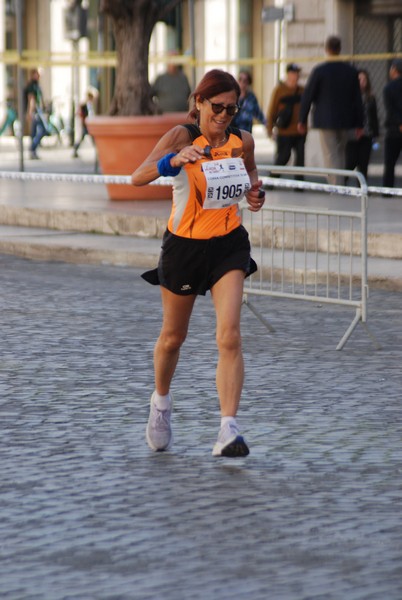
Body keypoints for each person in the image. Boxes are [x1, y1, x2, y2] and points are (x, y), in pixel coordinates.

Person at [132, 69, 265, 458]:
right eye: (217, 107)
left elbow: (251, 176)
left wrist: (256, 194)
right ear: (199, 103)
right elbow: (137, 176)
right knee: (173, 338)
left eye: (231, 108)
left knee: (230, 335)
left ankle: (228, 428)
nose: (224, 115)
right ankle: (160, 403)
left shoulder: (243, 141)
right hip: (184, 248)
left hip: (228, 246)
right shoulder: (182, 135)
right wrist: (172, 160)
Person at [298, 35, 364, 183]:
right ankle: (340, 182)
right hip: (347, 120)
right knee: (341, 152)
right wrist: (360, 123)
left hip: (325, 119)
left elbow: (308, 96)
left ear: (326, 50)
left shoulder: (320, 71)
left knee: (331, 154)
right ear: (339, 49)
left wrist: (302, 119)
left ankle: (336, 186)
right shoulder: (351, 71)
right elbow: (357, 99)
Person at [266, 63, 306, 177]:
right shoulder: (279, 90)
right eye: (294, 73)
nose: (297, 75)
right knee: (283, 157)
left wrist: (305, 126)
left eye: (298, 73)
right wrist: (270, 129)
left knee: (300, 160)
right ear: (288, 74)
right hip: (284, 131)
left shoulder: (302, 90)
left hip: (299, 131)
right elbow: (271, 110)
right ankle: (272, 179)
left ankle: (299, 185)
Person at [345, 69, 379, 183]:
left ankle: (361, 190)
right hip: (353, 134)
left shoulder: (370, 97)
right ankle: (341, 184)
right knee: (350, 162)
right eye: (360, 79)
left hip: (367, 134)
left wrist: (375, 133)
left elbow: (373, 116)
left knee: (363, 163)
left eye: (364, 79)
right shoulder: (349, 97)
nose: (362, 82)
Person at [382, 59, 402, 190]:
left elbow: (390, 109)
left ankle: (387, 191)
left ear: (394, 70)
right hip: (396, 127)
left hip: (394, 130)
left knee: (390, 164)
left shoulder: (388, 88)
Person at [24, 68, 47, 160]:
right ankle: (33, 148)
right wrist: (29, 112)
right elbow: (31, 99)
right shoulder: (32, 86)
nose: (39, 76)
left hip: (38, 110)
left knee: (35, 131)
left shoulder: (37, 85)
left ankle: (33, 149)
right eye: (38, 74)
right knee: (44, 129)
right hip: (35, 111)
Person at [73, 90, 96, 158]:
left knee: (88, 137)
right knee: (87, 137)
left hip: (89, 124)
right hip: (85, 124)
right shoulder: (84, 105)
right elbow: (78, 112)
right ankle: (75, 149)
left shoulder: (90, 105)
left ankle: (75, 149)